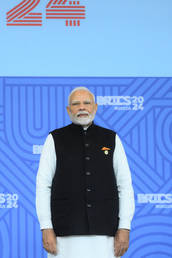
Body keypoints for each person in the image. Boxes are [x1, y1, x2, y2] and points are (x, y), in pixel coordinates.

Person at [36, 87, 135, 258]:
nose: (82, 107)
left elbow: (125, 185)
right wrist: (46, 226)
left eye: (86, 103)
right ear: (69, 110)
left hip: (105, 235)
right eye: (76, 104)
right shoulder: (54, 139)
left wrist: (124, 226)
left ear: (95, 107)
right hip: (63, 234)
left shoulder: (111, 139)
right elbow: (43, 185)